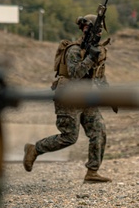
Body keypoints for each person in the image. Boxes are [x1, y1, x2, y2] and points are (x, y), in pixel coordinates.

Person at [23, 14, 112, 183]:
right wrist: (89, 58)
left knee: (99, 130)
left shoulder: (97, 51)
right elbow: (75, 73)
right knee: (69, 137)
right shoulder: (74, 50)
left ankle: (92, 172)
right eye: (92, 29)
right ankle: (34, 149)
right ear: (84, 30)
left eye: (98, 30)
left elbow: (99, 76)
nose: (97, 33)